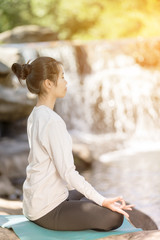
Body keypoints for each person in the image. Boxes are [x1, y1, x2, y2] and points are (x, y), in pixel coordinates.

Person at [11, 56, 133, 231]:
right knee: (114, 217)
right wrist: (102, 201)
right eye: (62, 77)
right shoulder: (52, 121)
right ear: (48, 83)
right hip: (47, 210)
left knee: (88, 197)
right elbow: (68, 172)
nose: (66, 82)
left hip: (35, 203)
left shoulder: (35, 115)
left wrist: (97, 200)